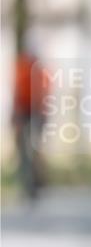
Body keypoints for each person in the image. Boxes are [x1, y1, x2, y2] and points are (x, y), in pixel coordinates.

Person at [11, 50, 49, 200]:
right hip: (26, 112)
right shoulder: (23, 70)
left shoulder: (40, 73)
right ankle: (29, 184)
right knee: (26, 150)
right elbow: (18, 94)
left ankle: (36, 182)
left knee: (34, 150)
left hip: (35, 113)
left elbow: (44, 97)